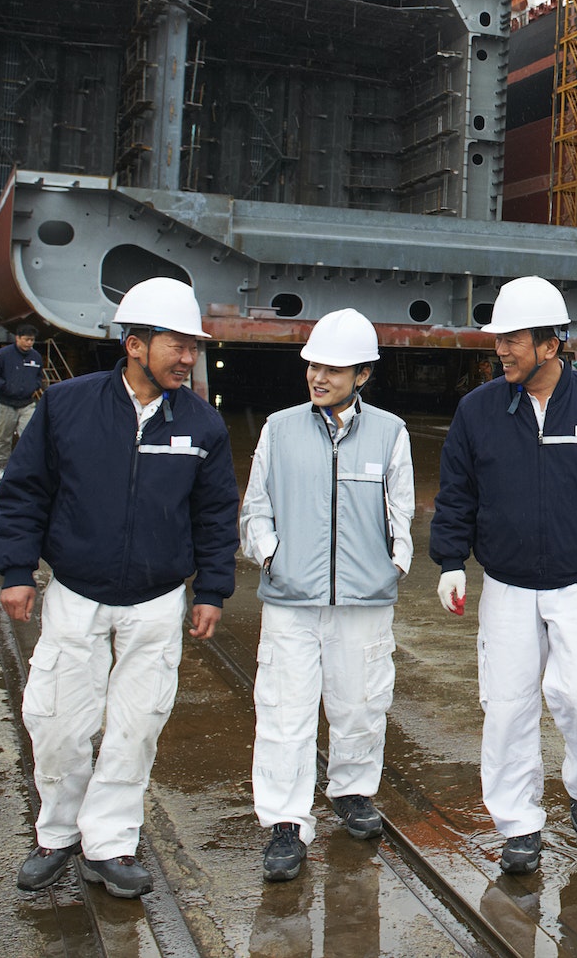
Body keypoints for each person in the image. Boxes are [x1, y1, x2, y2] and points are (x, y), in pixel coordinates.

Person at [0, 277, 239, 899]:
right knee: (56, 721)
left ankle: (111, 842)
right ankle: (56, 834)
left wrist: (212, 587)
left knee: (137, 724)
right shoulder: (66, 406)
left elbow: (214, 515)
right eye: (176, 344)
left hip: (157, 602)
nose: (188, 357)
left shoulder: (203, 426)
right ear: (134, 344)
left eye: (193, 346)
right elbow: (25, 492)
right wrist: (17, 571)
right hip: (76, 594)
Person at [429, 275, 577, 876]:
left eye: (514, 338)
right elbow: (457, 494)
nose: (501, 349)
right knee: (506, 706)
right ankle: (519, 824)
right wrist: (450, 559)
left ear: (551, 344)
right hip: (505, 585)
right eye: (499, 337)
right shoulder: (478, 412)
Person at [240, 309, 415, 883]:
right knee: (285, 713)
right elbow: (256, 505)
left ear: (362, 375)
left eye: (333, 369)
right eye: (313, 364)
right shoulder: (279, 428)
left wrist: (393, 563)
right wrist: (271, 555)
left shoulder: (389, 432)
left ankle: (353, 793)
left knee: (361, 704)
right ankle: (286, 823)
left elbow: (401, 509)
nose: (318, 376)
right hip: (292, 600)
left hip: (364, 601)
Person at [0, 323, 46, 479]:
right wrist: (4, 387)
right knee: (3, 436)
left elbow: (39, 376)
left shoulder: (36, 357)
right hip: (6, 403)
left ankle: (28, 467)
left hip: (27, 403)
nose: (29, 343)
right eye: (26, 339)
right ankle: (1, 465)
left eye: (32, 340)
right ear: (17, 338)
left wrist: (35, 386)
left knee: (31, 435)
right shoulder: (3, 355)